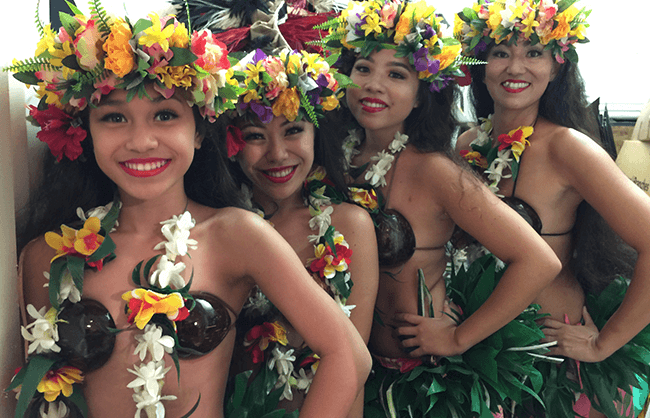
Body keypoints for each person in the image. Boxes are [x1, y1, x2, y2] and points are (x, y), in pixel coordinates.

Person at [6, 4, 371, 417]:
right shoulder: (47, 255)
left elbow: (348, 355)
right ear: (85, 133)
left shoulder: (235, 234)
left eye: (165, 115)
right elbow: (34, 393)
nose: (142, 141)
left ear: (198, 130)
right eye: (114, 118)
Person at [317, 0, 562, 416]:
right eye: (363, 68)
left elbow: (538, 261)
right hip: (355, 375)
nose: (374, 85)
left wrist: (458, 338)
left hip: (426, 386)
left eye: (396, 74)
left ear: (419, 97)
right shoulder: (333, 160)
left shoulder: (434, 169)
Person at [454, 1, 650, 416]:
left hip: (553, 364)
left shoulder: (568, 147)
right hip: (480, 360)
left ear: (558, 66)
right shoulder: (465, 145)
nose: (515, 67)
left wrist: (604, 343)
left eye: (534, 53)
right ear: (481, 63)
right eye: (501, 52)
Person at [223, 48, 379, 418]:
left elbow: (354, 365)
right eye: (255, 136)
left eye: (293, 130)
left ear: (316, 133)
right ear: (231, 146)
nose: (277, 154)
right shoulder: (219, 229)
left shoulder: (350, 225)